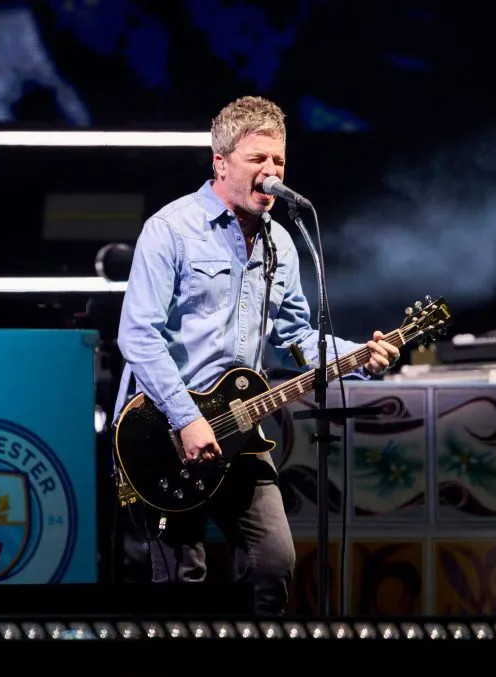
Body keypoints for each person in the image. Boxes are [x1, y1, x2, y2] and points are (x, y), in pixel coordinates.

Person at [111, 95, 400, 615]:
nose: (271, 172)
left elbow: (296, 337)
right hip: (162, 430)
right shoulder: (171, 229)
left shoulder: (281, 244)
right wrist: (186, 418)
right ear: (221, 162)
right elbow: (137, 335)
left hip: (239, 427)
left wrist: (361, 355)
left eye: (279, 160)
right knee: (184, 579)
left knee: (274, 564)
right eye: (257, 159)